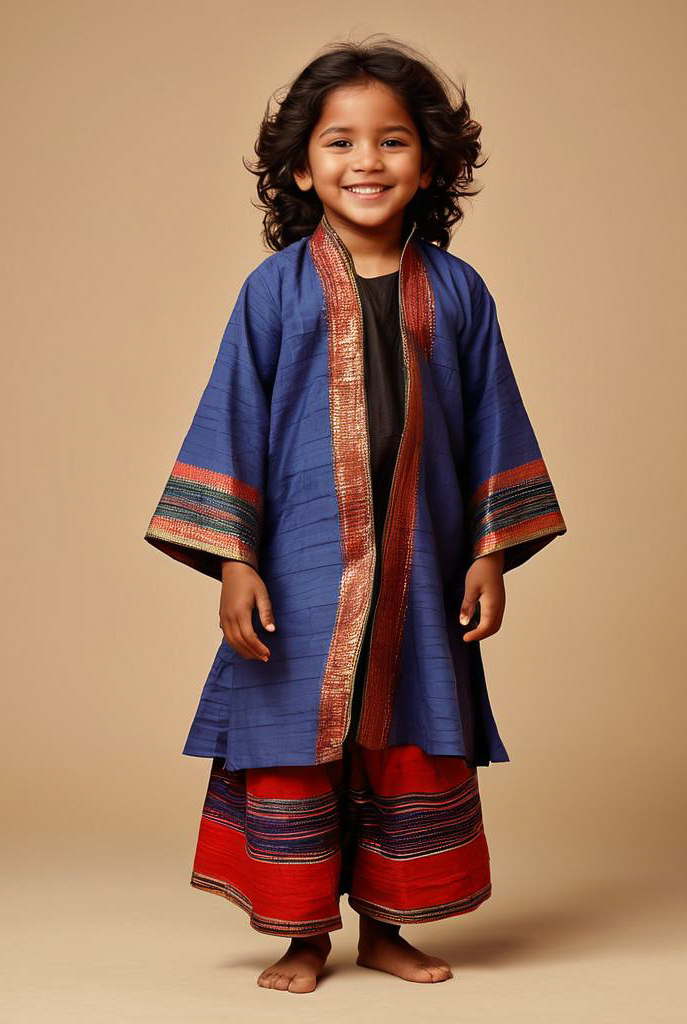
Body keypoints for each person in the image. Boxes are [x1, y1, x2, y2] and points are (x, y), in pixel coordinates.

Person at [143, 38, 567, 993]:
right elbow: (233, 420)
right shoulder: (272, 293)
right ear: (301, 165)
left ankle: (388, 926)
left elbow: (493, 425)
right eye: (340, 142)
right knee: (299, 736)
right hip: (298, 570)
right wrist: (236, 564)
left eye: (393, 141)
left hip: (423, 567)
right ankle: (302, 938)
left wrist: (490, 554)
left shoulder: (458, 295)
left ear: (432, 163)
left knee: (409, 735)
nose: (367, 162)